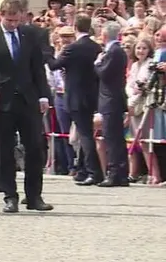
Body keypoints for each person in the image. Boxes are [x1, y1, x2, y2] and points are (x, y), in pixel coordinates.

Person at [0, 0, 53, 212]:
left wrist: (43, 96)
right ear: (1, 15)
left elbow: (37, 68)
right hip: (2, 100)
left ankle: (34, 196)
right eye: (9, 20)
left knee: (35, 148)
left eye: (16, 20)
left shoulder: (30, 35)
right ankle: (10, 197)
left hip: (28, 99)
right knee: (4, 150)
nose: (13, 24)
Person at [46, 14, 103, 185]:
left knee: (85, 135)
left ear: (75, 27)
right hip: (91, 96)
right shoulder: (96, 47)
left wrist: (47, 52)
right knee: (86, 132)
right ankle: (82, 170)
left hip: (76, 97)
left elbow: (54, 65)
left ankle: (94, 172)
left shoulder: (72, 48)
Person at [94, 21, 130, 187]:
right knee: (116, 138)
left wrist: (98, 63)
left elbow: (104, 73)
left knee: (112, 138)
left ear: (105, 34)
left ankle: (114, 173)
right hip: (112, 99)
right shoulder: (115, 51)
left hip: (111, 99)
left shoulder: (114, 51)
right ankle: (121, 174)